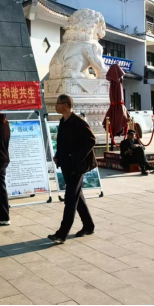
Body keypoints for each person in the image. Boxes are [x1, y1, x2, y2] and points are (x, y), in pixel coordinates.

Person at [49, 94, 97, 244]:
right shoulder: (63, 121)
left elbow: (91, 140)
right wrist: (58, 155)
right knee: (77, 197)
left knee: (70, 199)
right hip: (66, 165)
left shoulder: (78, 121)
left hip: (76, 167)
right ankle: (88, 225)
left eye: (57, 104)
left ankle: (62, 233)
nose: (55, 106)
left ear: (65, 105)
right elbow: (62, 142)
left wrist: (76, 156)